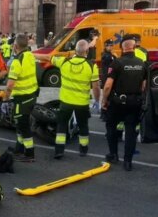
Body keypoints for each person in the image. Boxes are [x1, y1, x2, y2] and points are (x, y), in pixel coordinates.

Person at [35, 39, 100, 159]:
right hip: (82, 102)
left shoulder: (64, 62)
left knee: (61, 125)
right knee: (83, 126)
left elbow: (48, 58)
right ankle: (83, 149)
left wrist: (32, 54)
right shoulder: (92, 66)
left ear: (75, 50)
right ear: (87, 51)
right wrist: (97, 100)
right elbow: (96, 87)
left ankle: (59, 150)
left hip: (66, 102)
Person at [102, 34, 147, 171]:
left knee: (111, 127)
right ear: (134, 47)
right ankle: (128, 161)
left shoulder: (117, 62)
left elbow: (108, 85)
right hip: (135, 102)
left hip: (117, 102)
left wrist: (105, 100)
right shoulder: (141, 63)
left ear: (122, 47)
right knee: (131, 131)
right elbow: (144, 86)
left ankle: (114, 154)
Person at [3, 33, 39, 162]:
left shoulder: (17, 61)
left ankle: (29, 154)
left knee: (23, 126)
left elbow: (10, 84)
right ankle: (19, 149)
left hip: (22, 99)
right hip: (31, 96)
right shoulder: (29, 55)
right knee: (19, 125)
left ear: (15, 45)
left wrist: (5, 99)